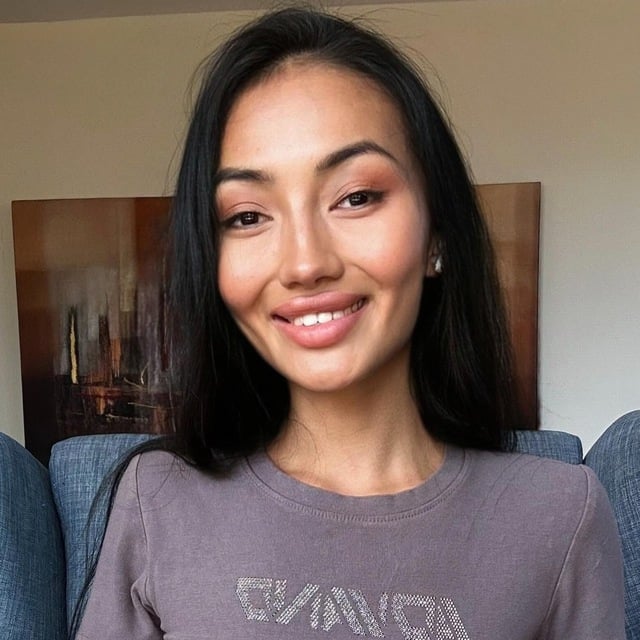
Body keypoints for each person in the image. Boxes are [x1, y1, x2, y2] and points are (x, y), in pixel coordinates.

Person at [74, 7, 624, 639]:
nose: (305, 263)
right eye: (248, 216)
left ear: (437, 233)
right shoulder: (157, 500)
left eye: (356, 197)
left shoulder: (560, 516)